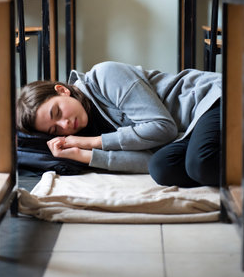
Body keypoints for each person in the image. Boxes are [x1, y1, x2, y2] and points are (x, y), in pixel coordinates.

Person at [16, 61, 222, 187]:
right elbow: (146, 162)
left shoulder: (104, 75)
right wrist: (85, 156)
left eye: (58, 112)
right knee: (161, 168)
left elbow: (163, 128)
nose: (65, 124)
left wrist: (92, 143)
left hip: (212, 100)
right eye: (55, 129)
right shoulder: (90, 127)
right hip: (188, 132)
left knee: (201, 163)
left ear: (62, 90)